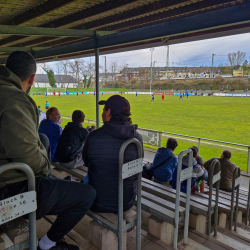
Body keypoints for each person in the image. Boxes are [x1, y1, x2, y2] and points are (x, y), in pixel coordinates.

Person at [0, 51, 96, 250]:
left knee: (42, 139)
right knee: (86, 194)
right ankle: (47, 244)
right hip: (10, 190)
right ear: (32, 78)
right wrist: (45, 168)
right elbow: (23, 153)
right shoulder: (14, 98)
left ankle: (52, 185)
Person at [82, 95, 143, 213]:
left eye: (104, 109)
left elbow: (86, 162)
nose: (102, 112)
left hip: (97, 202)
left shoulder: (93, 136)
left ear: (109, 112)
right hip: (126, 202)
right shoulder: (137, 139)